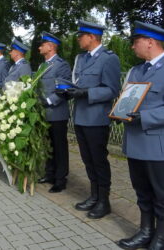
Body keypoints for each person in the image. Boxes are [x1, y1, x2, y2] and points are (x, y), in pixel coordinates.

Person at [117, 21, 164, 250]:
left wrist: (144, 117)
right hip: (134, 141)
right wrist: (118, 111)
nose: (133, 47)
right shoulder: (136, 70)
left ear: (150, 42)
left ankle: (161, 238)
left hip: (156, 143)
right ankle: (145, 231)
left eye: (135, 42)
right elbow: (127, 99)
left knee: (161, 194)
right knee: (141, 191)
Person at [67, 20, 121, 219]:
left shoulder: (108, 59)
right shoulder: (81, 58)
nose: (79, 39)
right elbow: (77, 83)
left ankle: (104, 201)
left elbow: (112, 90)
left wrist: (87, 93)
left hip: (97, 119)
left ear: (92, 37)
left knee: (98, 161)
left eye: (81, 36)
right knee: (87, 160)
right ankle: (94, 195)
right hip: (81, 117)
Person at [37, 31, 72, 193]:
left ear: (50, 47)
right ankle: (50, 173)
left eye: (42, 45)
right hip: (44, 113)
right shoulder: (42, 66)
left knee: (59, 147)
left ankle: (60, 179)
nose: (39, 47)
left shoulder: (61, 65)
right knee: (48, 145)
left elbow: (64, 87)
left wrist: (49, 100)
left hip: (57, 113)